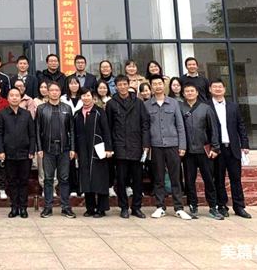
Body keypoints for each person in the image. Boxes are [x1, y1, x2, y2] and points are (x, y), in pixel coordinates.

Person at [145, 76, 191, 220]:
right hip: (155, 146)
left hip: (173, 145)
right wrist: (146, 146)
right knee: (158, 178)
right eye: (154, 84)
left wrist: (182, 145)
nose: (157, 86)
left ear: (164, 85)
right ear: (151, 87)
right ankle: (160, 207)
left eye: (160, 83)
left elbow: (180, 125)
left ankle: (179, 208)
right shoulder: (146, 105)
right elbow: (145, 127)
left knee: (175, 177)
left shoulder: (174, 103)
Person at [105, 74, 149, 218]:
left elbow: (145, 124)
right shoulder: (111, 104)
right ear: (116, 87)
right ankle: (123, 207)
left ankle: (136, 207)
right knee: (121, 179)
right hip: (119, 146)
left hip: (136, 145)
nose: (122, 87)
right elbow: (108, 128)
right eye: (120, 85)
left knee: (137, 179)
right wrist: (109, 147)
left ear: (128, 85)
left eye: (125, 84)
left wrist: (145, 144)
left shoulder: (138, 103)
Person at [180, 84, 223, 220]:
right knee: (189, 180)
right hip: (188, 152)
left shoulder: (206, 108)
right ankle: (193, 205)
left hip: (204, 150)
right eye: (187, 91)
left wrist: (215, 148)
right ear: (183, 94)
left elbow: (213, 129)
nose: (189, 93)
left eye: (192, 91)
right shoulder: (180, 108)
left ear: (197, 92)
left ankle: (213, 206)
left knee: (209, 179)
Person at [210, 78, 251, 219]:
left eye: (220, 87)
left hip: (233, 147)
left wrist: (244, 144)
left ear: (224, 89)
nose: (217, 89)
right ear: (210, 89)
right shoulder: (206, 106)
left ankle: (239, 206)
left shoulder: (233, 106)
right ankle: (222, 205)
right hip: (217, 149)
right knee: (219, 179)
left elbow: (241, 125)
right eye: (215, 87)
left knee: (236, 178)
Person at [36, 81, 76, 218]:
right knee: (48, 179)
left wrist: (72, 148)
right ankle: (48, 207)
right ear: (47, 92)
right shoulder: (41, 109)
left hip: (64, 148)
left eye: (57, 90)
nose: (54, 92)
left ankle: (66, 207)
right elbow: (37, 130)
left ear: (60, 92)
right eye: (51, 90)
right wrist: (39, 148)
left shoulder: (67, 108)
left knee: (64, 178)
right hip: (47, 149)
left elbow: (72, 129)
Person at [0, 87, 36, 218]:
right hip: (8, 154)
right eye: (11, 95)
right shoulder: (2, 114)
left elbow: (32, 134)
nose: (14, 98)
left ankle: (23, 208)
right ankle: (14, 207)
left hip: (25, 154)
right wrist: (0, 151)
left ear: (20, 98)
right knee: (12, 182)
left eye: (17, 95)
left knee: (24, 182)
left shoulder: (26, 114)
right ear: (7, 98)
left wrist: (31, 150)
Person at [74, 87, 114, 217]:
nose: (86, 98)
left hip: (98, 149)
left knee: (100, 178)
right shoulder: (77, 114)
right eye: (83, 96)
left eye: (88, 95)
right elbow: (74, 134)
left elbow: (106, 131)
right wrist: (75, 150)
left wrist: (108, 148)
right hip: (83, 150)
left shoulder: (99, 112)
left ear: (93, 97)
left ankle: (101, 208)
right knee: (86, 178)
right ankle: (90, 207)